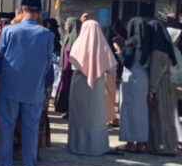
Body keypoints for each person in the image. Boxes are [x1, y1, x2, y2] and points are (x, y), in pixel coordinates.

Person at [0, 0, 54, 166]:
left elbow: (0, 57)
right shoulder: (47, 35)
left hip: (9, 87)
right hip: (34, 89)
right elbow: (48, 64)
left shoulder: (9, 31)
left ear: (21, 10)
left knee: (6, 127)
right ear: (40, 13)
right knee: (30, 128)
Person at [67, 20, 119, 156]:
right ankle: (96, 146)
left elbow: (73, 65)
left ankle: (77, 146)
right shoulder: (102, 46)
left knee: (80, 114)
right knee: (95, 116)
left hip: (78, 83)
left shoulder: (77, 45)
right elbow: (111, 67)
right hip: (97, 84)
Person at [116, 17, 152, 153]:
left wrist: (119, 52)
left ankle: (130, 142)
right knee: (141, 110)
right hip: (144, 78)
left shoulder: (131, 42)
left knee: (129, 110)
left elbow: (127, 62)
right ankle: (140, 142)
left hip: (131, 78)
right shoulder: (149, 43)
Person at [146, 20, 178, 155]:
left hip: (159, 86)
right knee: (167, 116)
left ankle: (160, 145)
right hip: (167, 84)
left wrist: (152, 90)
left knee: (159, 117)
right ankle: (169, 144)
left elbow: (155, 72)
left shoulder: (157, 50)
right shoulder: (166, 46)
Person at [55, 17, 82, 115]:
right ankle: (63, 108)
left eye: (67, 24)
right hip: (65, 69)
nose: (66, 26)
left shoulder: (78, 39)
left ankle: (70, 110)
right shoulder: (67, 37)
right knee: (64, 88)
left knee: (70, 89)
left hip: (72, 70)